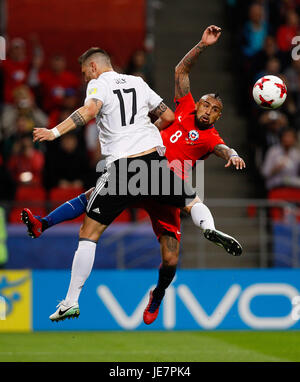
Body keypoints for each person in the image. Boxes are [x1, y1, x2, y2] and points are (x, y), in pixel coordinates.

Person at [24, 26, 245, 324]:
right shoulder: (145, 86)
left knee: (94, 235)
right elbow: (168, 111)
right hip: (155, 167)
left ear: (93, 67)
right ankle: (208, 227)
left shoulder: (99, 84)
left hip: (126, 167)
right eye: (205, 103)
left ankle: (72, 300)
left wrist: (53, 131)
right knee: (192, 199)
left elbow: (89, 111)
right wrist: (144, 132)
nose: (85, 77)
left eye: (85, 72)